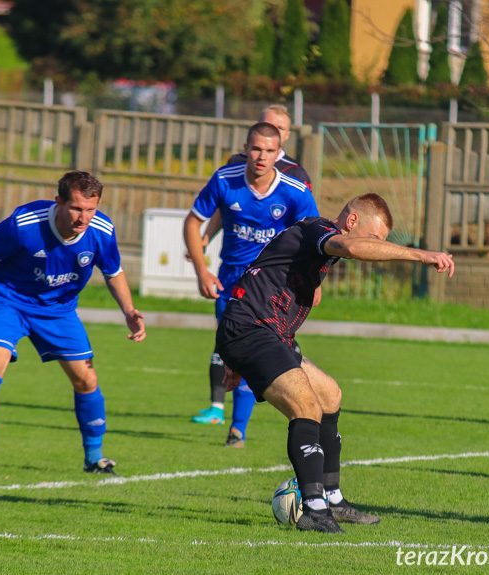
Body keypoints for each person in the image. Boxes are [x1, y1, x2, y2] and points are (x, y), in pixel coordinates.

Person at [217, 193, 455, 533]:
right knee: (306, 406)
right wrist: (420, 255)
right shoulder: (317, 231)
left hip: (265, 334)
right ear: (353, 222)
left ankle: (332, 498)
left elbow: (261, 278)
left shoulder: (315, 248)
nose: (376, 247)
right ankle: (313, 509)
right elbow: (354, 248)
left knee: (329, 395)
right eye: (375, 238)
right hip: (251, 331)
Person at [0, 171, 145, 476]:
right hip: (7, 300)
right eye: (77, 208)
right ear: (59, 202)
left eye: (91, 209)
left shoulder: (102, 231)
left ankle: (94, 458)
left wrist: (129, 311)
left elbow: (113, 271)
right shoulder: (25, 223)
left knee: (86, 380)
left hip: (58, 310)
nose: (84, 217)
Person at [184, 121, 319, 447]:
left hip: (272, 290)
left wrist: (313, 285)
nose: (261, 156)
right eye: (256, 148)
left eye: (269, 150)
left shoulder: (294, 191)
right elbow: (193, 221)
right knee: (234, 355)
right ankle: (234, 414)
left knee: (246, 355)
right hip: (230, 284)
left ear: (278, 153)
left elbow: (316, 238)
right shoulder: (224, 180)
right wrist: (203, 271)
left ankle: (238, 429)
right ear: (246, 148)